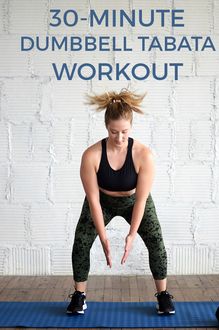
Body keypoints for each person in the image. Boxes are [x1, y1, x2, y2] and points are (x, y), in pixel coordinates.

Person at [66, 89, 175, 315]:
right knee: (81, 241)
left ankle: (163, 296)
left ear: (131, 127)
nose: (119, 138)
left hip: (134, 201)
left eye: (124, 131)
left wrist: (131, 235)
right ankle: (79, 296)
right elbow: (94, 201)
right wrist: (104, 238)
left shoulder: (144, 155)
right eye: (113, 132)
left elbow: (142, 199)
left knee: (156, 241)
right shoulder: (91, 155)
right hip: (102, 202)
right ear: (107, 128)